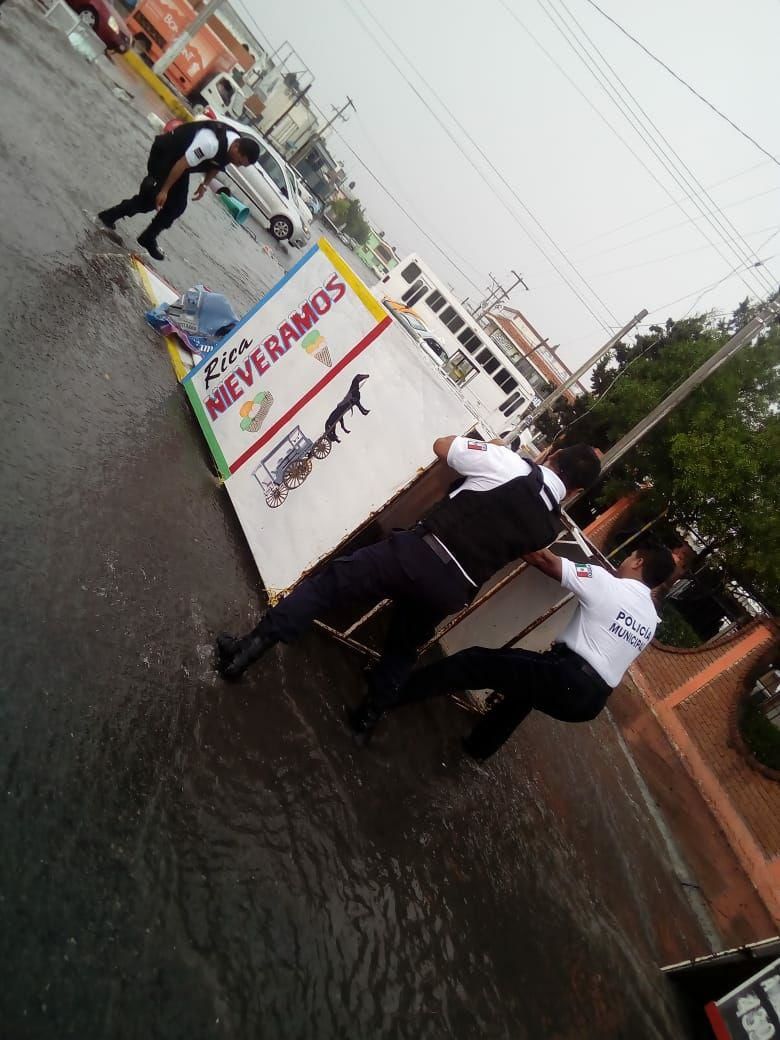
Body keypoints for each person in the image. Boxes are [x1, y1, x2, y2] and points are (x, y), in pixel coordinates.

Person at [215, 436, 602, 730]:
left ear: (552, 454)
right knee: (403, 647)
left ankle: (245, 652)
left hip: (417, 554)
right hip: (453, 590)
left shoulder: (508, 463)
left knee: (328, 585)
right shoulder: (549, 528)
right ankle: (369, 715)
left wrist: (494, 446)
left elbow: (443, 445)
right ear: (578, 491)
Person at [380, 543, 676, 760]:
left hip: (567, 677)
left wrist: (515, 536)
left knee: (475, 663)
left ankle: (390, 694)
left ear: (638, 562)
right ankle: (478, 749)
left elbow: (547, 562)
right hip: (590, 703)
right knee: (525, 690)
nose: (625, 560)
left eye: (630, 556)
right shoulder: (651, 619)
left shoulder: (608, 583)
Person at [97, 121, 260, 260]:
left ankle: (146, 236)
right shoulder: (211, 142)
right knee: (153, 199)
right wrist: (164, 190)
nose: (237, 164)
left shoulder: (233, 147)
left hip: (180, 163)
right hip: (165, 154)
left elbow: (218, 164)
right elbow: (182, 163)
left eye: (241, 164)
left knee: (176, 206)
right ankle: (109, 217)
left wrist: (205, 184)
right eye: (238, 161)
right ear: (237, 146)